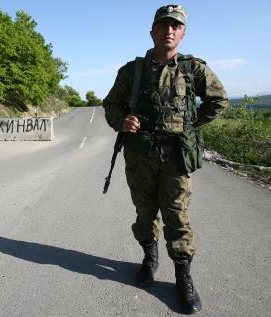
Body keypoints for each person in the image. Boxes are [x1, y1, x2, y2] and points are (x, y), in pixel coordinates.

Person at [102, 4, 229, 314]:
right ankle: (149, 258)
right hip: (140, 156)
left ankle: (183, 278)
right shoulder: (132, 71)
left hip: (176, 159)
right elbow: (111, 105)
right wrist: (122, 121)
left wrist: (191, 126)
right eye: (163, 25)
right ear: (152, 31)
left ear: (183, 33)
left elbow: (218, 101)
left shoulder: (192, 68)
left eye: (175, 26)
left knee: (177, 217)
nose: (169, 30)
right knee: (145, 213)